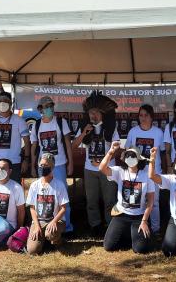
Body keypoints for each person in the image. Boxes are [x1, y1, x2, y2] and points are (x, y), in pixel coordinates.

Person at [72, 92, 119, 235]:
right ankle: (95, 225)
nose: (93, 115)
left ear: (102, 113)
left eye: (96, 112)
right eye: (91, 112)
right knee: (91, 201)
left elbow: (116, 147)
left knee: (109, 199)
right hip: (89, 169)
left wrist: (105, 159)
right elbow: (74, 146)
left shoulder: (111, 127)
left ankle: (111, 225)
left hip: (107, 169)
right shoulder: (85, 127)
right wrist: (84, 133)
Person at [99, 143, 155, 254]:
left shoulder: (146, 175)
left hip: (138, 216)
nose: (130, 159)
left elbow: (151, 201)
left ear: (139, 159)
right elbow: (102, 168)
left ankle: (140, 236)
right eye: (128, 156)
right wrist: (111, 152)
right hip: (121, 214)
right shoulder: (120, 171)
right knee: (108, 246)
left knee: (140, 249)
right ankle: (130, 236)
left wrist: (144, 221)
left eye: (133, 156)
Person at [30, 96, 74, 232]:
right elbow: (34, 148)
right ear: (40, 109)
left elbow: (67, 144)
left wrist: (70, 163)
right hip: (43, 166)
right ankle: (44, 223)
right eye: (46, 106)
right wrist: (33, 165)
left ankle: (66, 227)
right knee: (44, 195)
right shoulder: (36, 125)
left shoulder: (61, 122)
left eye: (51, 106)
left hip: (60, 164)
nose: (49, 109)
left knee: (63, 196)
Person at [125, 104, 165, 233]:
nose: (143, 118)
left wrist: (164, 169)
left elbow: (164, 153)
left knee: (155, 202)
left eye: (146, 115)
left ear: (152, 117)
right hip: (138, 172)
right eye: (141, 115)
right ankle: (140, 227)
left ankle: (155, 229)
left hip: (154, 172)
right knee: (139, 200)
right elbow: (127, 151)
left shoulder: (158, 132)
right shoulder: (133, 132)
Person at [26, 153, 69, 255]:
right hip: (39, 221)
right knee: (32, 250)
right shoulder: (34, 185)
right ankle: (45, 241)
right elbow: (32, 208)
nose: (42, 168)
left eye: (46, 166)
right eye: (41, 165)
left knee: (50, 233)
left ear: (52, 167)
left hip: (56, 221)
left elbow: (63, 208)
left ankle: (58, 241)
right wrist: (36, 225)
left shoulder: (59, 184)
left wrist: (54, 221)